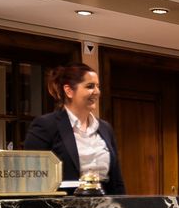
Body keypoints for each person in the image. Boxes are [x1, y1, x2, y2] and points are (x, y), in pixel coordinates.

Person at [25, 63, 126, 195]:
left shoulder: (105, 128)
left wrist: (122, 206)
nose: (97, 92)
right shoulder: (45, 125)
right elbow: (32, 180)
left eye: (98, 86)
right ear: (69, 91)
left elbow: (117, 182)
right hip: (64, 206)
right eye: (90, 86)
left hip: (105, 205)